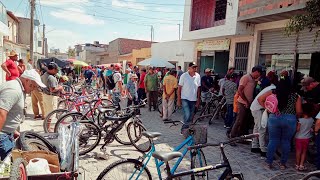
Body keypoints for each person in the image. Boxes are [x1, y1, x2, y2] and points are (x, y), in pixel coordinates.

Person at [0, 69, 46, 160]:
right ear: (27, 80)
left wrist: (13, 131)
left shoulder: (20, 88)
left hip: (8, 133)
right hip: (2, 135)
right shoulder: (14, 90)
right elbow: (1, 112)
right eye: (32, 86)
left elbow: (11, 113)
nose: (33, 89)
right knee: (8, 166)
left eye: (35, 87)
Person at [258, 76, 302, 170]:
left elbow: (260, 99)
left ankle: (269, 162)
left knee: (273, 140)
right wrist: (295, 117)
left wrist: (268, 109)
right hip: (290, 119)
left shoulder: (273, 92)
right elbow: (299, 111)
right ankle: (283, 164)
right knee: (286, 141)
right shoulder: (296, 96)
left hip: (274, 117)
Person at [250, 71, 278, 157]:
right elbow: (260, 100)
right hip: (258, 109)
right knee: (262, 129)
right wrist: (267, 109)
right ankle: (263, 149)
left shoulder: (270, 87)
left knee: (256, 127)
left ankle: (254, 146)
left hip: (255, 108)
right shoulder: (272, 89)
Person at [230, 66, 262, 138]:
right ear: (256, 71)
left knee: (244, 122)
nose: (259, 75)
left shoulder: (253, 79)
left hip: (248, 103)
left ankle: (241, 137)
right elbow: (240, 90)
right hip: (242, 103)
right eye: (258, 73)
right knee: (239, 120)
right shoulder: (246, 77)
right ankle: (232, 136)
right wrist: (246, 101)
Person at [177, 62, 201, 134]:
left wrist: (198, 99)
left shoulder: (198, 76)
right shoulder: (184, 76)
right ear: (189, 68)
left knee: (191, 115)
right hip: (185, 98)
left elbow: (198, 88)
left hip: (193, 99)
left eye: (195, 67)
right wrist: (178, 99)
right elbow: (179, 88)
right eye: (193, 67)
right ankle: (184, 129)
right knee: (187, 114)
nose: (195, 69)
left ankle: (188, 129)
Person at [295, 103, 314, 171]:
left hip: (299, 138)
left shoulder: (300, 120)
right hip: (307, 138)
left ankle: (297, 164)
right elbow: (311, 129)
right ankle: (301, 165)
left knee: (298, 151)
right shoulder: (312, 120)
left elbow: (297, 129)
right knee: (304, 151)